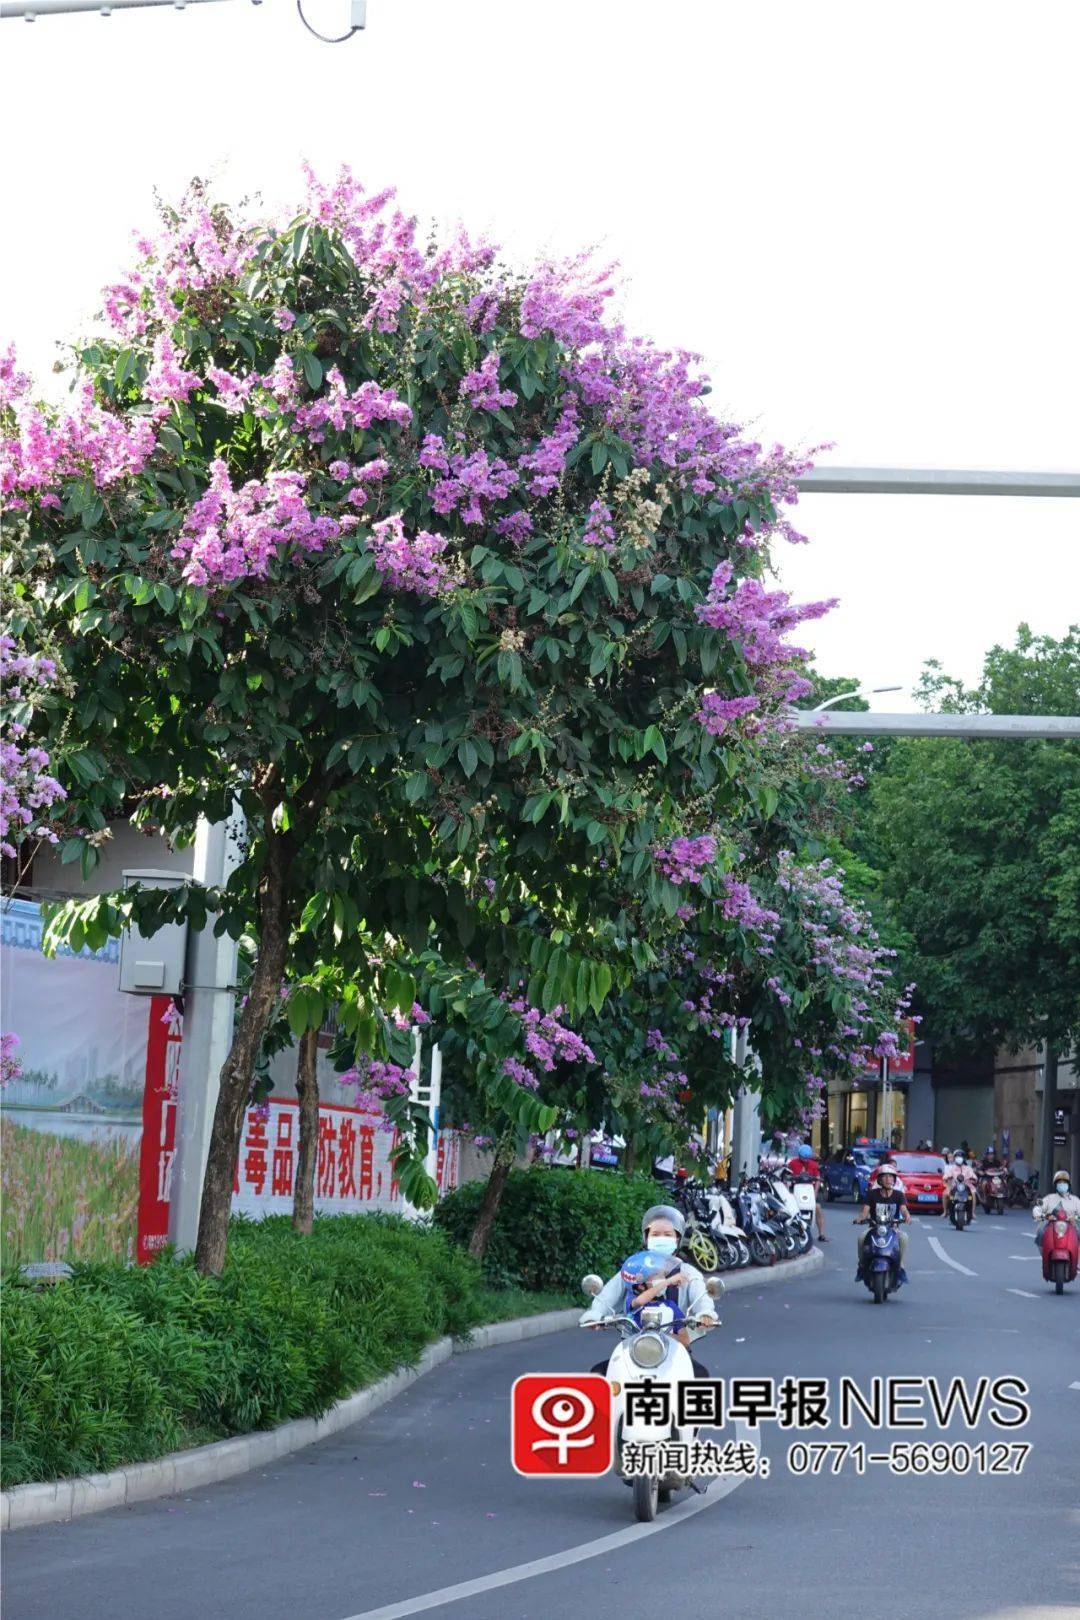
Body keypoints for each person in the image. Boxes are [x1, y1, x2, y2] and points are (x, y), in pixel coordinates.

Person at [582, 1204, 717, 1374]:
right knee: (599, 1374)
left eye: (667, 1235)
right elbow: (610, 1292)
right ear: (646, 1238)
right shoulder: (633, 1269)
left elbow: (701, 1294)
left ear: (677, 1239)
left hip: (675, 1345)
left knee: (700, 1376)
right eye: (655, 1234)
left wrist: (705, 1313)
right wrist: (595, 1314)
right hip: (634, 1345)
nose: (661, 1238)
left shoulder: (687, 1272)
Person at [854, 1162, 911, 1284]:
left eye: (891, 1176)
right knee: (861, 1238)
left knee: (904, 1238)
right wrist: (860, 1219)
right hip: (874, 1228)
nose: (888, 1179)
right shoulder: (872, 1194)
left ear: (894, 1179)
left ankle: (900, 1267)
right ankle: (861, 1266)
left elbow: (904, 1209)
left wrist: (907, 1217)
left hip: (893, 1229)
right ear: (879, 1179)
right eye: (885, 1176)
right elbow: (865, 1211)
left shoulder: (899, 1195)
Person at [787, 1142, 827, 1241]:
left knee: (818, 1208)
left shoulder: (813, 1165)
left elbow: (817, 1179)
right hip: (796, 1191)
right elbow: (787, 1177)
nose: (805, 1160)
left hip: (809, 1192)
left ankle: (821, 1234)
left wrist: (815, 1193)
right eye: (802, 1158)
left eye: (806, 1158)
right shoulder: (792, 1163)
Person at [1032, 1170, 1080, 1250]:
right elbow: (1038, 1208)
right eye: (1059, 1183)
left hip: (1071, 1225)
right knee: (1040, 1232)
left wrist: (1075, 1218)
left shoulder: (1075, 1200)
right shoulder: (1049, 1198)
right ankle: (1044, 1254)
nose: (1062, 1185)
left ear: (1068, 1185)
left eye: (1064, 1182)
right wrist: (1041, 1215)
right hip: (1050, 1225)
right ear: (1055, 1185)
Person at [943, 1150, 978, 1221]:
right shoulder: (951, 1168)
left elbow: (973, 1176)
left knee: (973, 1194)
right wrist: (947, 1177)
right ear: (955, 1158)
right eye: (957, 1156)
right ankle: (945, 1212)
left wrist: (973, 1178)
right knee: (945, 1194)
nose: (959, 1158)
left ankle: (972, 1212)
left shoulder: (968, 1168)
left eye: (961, 1156)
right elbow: (945, 1176)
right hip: (954, 1186)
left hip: (966, 1186)